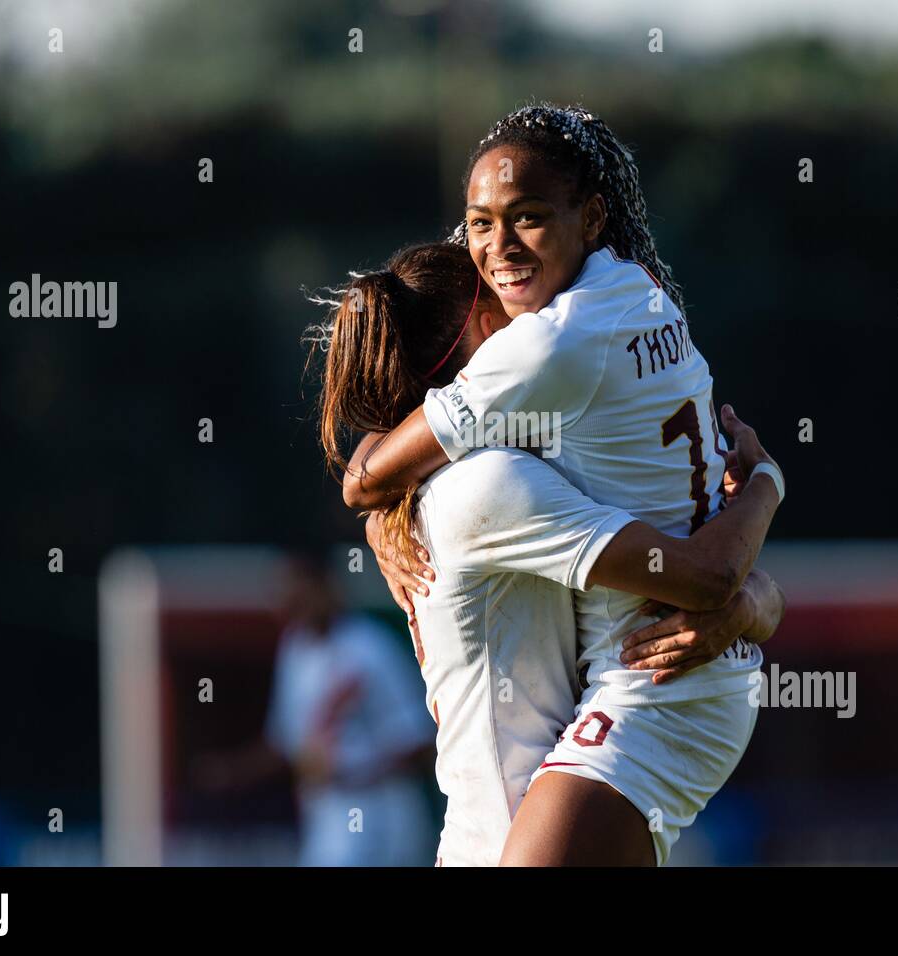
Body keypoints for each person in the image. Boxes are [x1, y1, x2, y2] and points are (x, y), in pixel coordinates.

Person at [336, 104, 787, 865]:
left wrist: (746, 599)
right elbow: (370, 482)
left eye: (529, 218)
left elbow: (366, 476)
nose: (497, 253)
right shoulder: (627, 292)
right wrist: (766, 488)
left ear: (592, 217)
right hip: (525, 793)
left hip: (643, 698)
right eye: (479, 224)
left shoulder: (539, 372)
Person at [194, 556, 434, 865]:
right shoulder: (295, 650)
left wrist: (356, 771)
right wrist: (231, 772)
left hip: (384, 816)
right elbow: (286, 743)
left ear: (326, 588)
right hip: (327, 820)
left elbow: (420, 741)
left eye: (302, 592)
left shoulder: (371, 646)